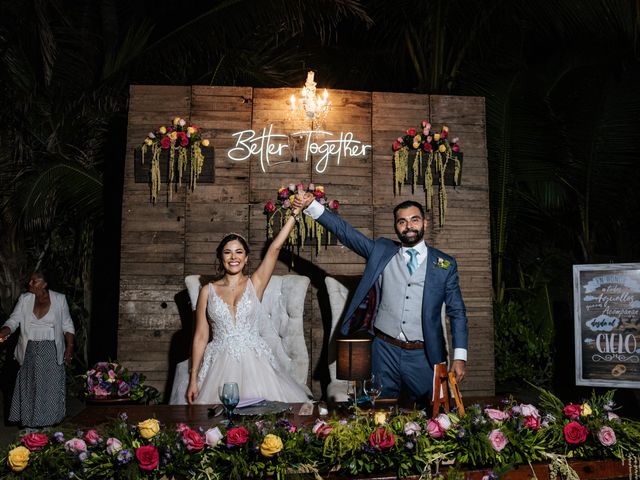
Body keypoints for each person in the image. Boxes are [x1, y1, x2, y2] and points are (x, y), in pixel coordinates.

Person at [295, 195, 468, 404]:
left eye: (414, 219)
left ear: (424, 222)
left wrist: (459, 356)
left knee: (433, 416)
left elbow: (457, 312)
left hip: (424, 354)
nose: (409, 226)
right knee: (378, 413)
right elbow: (345, 233)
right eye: (402, 221)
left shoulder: (445, 264)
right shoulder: (382, 251)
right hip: (384, 351)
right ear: (396, 226)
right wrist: (311, 206)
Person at [186, 199, 311, 404]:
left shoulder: (255, 284)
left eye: (239, 252)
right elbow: (200, 336)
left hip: (255, 364)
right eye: (227, 252)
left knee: (262, 419)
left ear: (246, 259)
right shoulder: (207, 291)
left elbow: (275, 249)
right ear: (220, 258)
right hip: (217, 364)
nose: (233, 257)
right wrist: (193, 379)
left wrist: (295, 213)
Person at [0, 271, 75, 427]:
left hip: (52, 350)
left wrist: (69, 347)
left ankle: (48, 427)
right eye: (30, 280)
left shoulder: (59, 299)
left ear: (45, 284)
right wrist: (5, 330)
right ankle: (30, 426)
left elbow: (67, 325)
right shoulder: (25, 299)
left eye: (34, 281)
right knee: (30, 388)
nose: (30, 283)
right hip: (30, 350)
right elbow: (14, 320)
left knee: (50, 390)